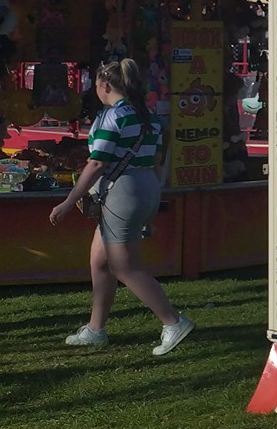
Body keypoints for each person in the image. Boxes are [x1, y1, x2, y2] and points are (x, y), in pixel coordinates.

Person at [50, 57, 195, 355]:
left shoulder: (110, 117)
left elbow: (97, 162)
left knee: (123, 266)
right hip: (145, 187)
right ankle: (95, 328)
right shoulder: (148, 116)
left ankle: (172, 321)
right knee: (100, 260)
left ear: (104, 86)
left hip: (121, 191)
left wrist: (69, 201)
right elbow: (153, 161)